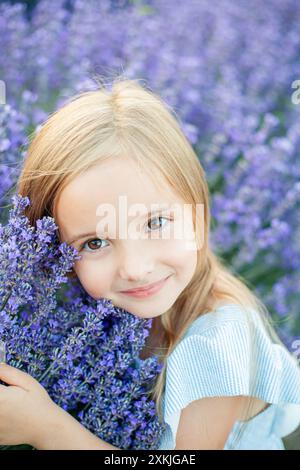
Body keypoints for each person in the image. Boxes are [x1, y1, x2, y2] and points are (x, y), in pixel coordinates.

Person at [1, 76, 299, 450]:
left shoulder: (216, 345)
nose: (135, 267)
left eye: (155, 223)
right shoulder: (109, 310)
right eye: (95, 242)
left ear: (198, 213)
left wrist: (46, 429)